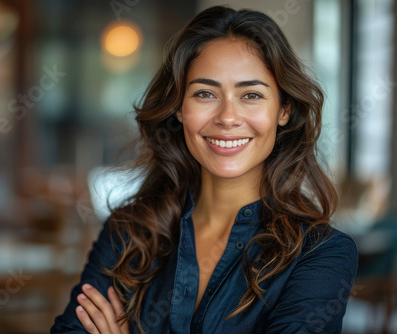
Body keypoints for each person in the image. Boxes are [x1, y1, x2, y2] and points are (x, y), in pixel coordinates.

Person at [51, 5, 358, 334]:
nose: (227, 117)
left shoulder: (322, 255)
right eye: (205, 94)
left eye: (251, 95)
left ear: (283, 109)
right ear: (179, 108)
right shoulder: (129, 232)